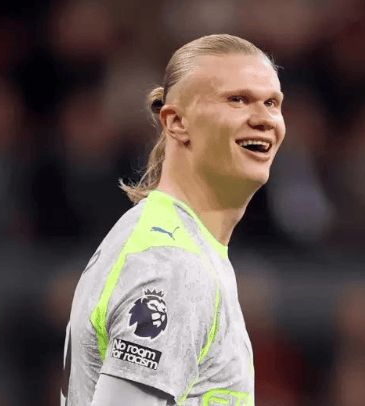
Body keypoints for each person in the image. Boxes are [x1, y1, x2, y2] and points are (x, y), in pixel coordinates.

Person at [61, 33, 286, 406]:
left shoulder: (166, 238)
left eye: (272, 103)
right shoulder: (172, 264)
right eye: (237, 99)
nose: (263, 119)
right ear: (177, 122)